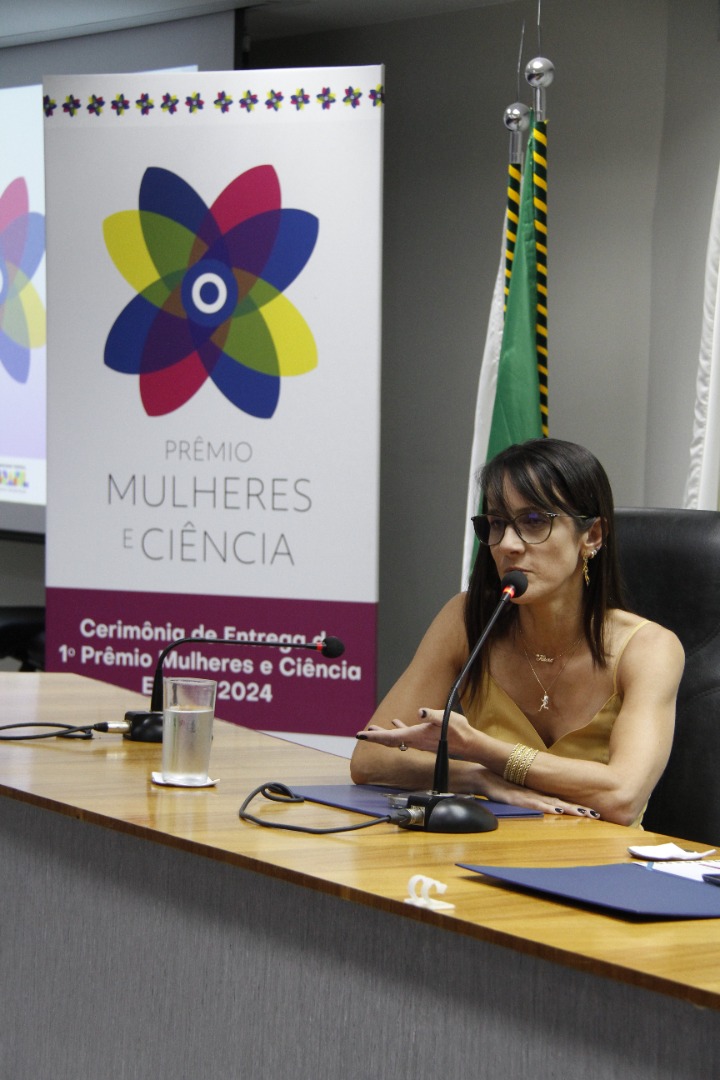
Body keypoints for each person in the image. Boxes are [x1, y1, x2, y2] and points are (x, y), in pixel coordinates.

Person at [351, 438, 685, 825]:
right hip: (492, 847)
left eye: (534, 521)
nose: (508, 545)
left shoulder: (649, 648)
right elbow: (370, 758)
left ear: (592, 535)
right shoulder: (466, 620)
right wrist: (478, 777)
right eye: (497, 523)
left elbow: (622, 796)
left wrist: (482, 749)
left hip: (602, 857)